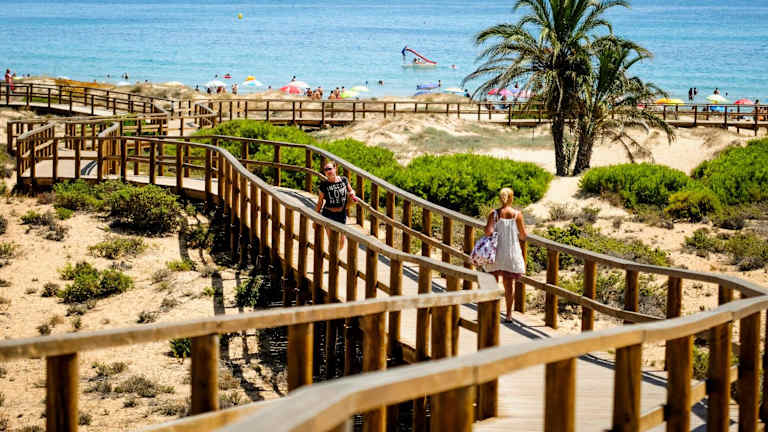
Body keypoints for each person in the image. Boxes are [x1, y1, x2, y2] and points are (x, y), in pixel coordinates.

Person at [484, 188, 527, 322]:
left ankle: (492, 311)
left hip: (496, 253)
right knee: (509, 286)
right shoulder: (517, 215)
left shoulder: (494, 214)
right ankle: (508, 315)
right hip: (510, 253)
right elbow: (523, 235)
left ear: (500, 198)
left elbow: (488, 232)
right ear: (511, 198)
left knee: (492, 283)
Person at [315, 161, 357, 250]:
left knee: (342, 241)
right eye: (326, 170)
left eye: (329, 169)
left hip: (341, 214)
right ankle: (332, 257)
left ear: (335, 169)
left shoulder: (344, 180)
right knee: (333, 240)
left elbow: (351, 190)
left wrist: (352, 193)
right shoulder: (324, 185)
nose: (328, 171)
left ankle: (334, 255)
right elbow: (320, 202)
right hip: (329, 214)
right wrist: (316, 217)